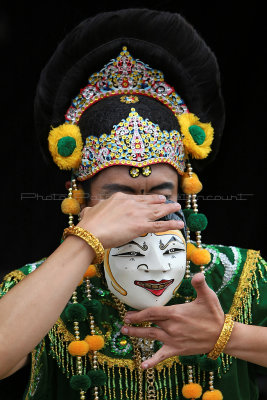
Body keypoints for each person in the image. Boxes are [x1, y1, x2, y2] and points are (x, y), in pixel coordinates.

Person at [0, 8, 266, 400]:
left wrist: (226, 335)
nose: (141, 210)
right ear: (84, 196)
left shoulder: (240, 275)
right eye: (118, 194)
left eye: (162, 192)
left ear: (183, 193)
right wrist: (83, 241)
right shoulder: (43, 286)